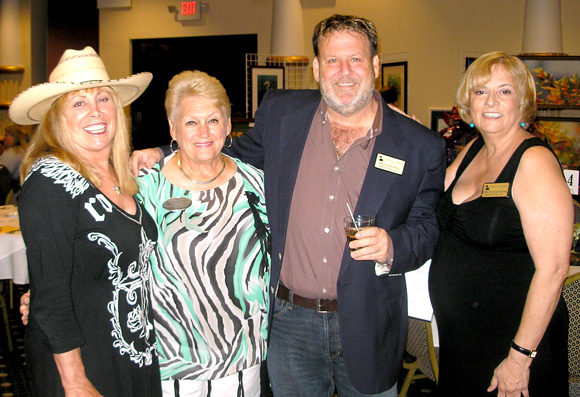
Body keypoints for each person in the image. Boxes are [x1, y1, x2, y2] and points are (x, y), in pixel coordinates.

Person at [133, 14, 446, 396]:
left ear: (376, 65)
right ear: (316, 67)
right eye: (332, 60)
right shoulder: (283, 113)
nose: (344, 71)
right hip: (288, 322)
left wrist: (393, 246)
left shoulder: (419, 145)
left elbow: (427, 228)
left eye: (356, 59)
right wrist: (162, 150)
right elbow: (227, 148)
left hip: (367, 322)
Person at [10, 46, 162, 396]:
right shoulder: (50, 182)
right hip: (83, 366)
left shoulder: (118, 175)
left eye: (103, 99)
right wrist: (75, 382)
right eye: (78, 103)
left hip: (130, 355)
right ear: (56, 116)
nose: (95, 111)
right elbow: (51, 299)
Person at [429, 51, 571, 396]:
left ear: (522, 101)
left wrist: (520, 357)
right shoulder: (474, 149)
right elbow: (424, 194)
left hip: (512, 340)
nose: (490, 101)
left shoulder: (534, 161)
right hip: (462, 336)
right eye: (480, 92)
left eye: (504, 91)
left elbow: (553, 271)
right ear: (468, 102)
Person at [138, 70, 270, 396]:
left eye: (213, 120)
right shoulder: (147, 185)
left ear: (228, 126)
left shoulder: (255, 183)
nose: (203, 132)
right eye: (191, 122)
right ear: (172, 129)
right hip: (174, 355)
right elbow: (117, 254)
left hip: (243, 351)